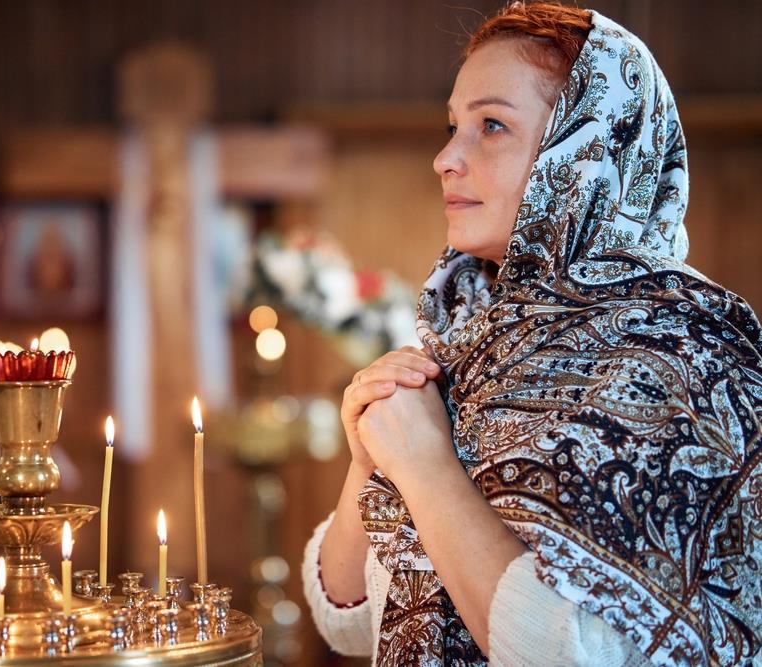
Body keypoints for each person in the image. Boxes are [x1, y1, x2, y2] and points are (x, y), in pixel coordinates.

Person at [302, 3, 762, 665]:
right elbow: (345, 620)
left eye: (492, 125)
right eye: (453, 125)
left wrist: (426, 465)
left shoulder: (681, 361)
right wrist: (368, 459)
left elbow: (569, 653)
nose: (445, 158)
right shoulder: (471, 337)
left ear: (587, 152)